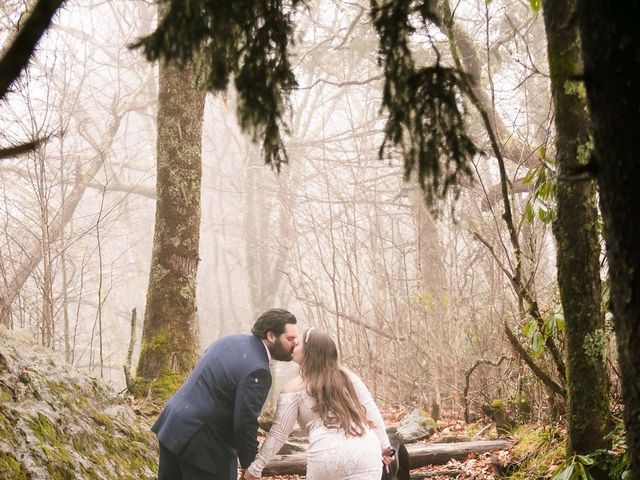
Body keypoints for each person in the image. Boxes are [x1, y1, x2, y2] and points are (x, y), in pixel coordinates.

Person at [152, 308, 298, 480]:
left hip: (173, 426)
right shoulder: (258, 370)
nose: (295, 343)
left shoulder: (229, 341)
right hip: (203, 446)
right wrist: (250, 464)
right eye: (290, 338)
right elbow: (245, 422)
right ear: (271, 336)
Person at [244, 327, 394, 480]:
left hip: (325, 458)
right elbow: (372, 413)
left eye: (298, 344)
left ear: (309, 352)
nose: (294, 344)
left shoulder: (293, 389)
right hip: (366, 453)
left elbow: (279, 433)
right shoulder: (348, 377)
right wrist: (386, 449)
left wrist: (256, 467)